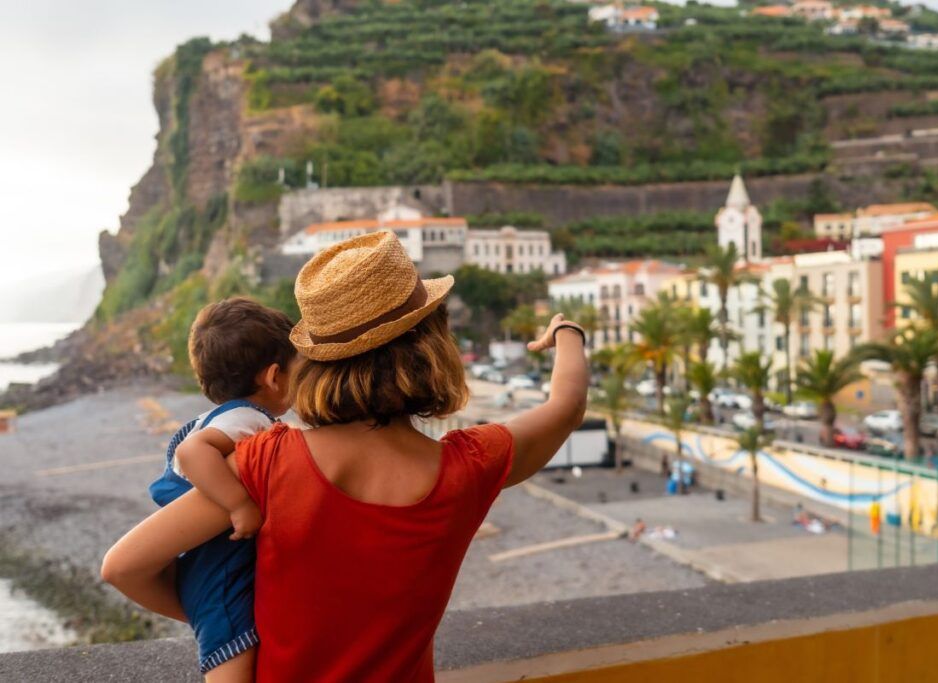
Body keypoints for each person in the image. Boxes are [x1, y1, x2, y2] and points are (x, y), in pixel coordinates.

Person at [102, 231, 589, 681]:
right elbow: (564, 407)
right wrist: (567, 333)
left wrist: (239, 614)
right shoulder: (469, 467)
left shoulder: (267, 463)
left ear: (315, 361)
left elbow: (123, 568)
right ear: (434, 344)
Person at [147, 298, 295, 680]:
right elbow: (192, 452)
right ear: (274, 376)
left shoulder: (213, 418)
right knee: (231, 661)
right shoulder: (248, 419)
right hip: (220, 574)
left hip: (199, 567)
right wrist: (239, 504)